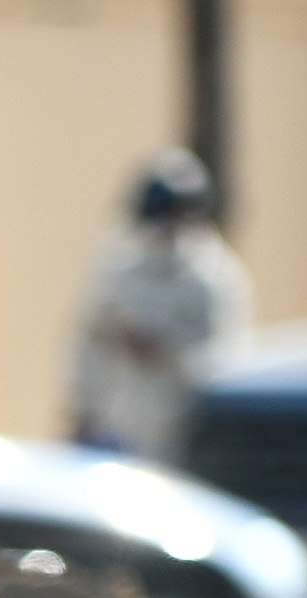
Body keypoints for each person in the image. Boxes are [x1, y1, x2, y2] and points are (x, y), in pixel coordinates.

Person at [70, 150, 249, 463]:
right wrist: (80, 411)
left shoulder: (213, 279)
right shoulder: (119, 268)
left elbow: (222, 362)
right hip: (117, 429)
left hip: (182, 436)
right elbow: (88, 343)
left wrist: (162, 351)